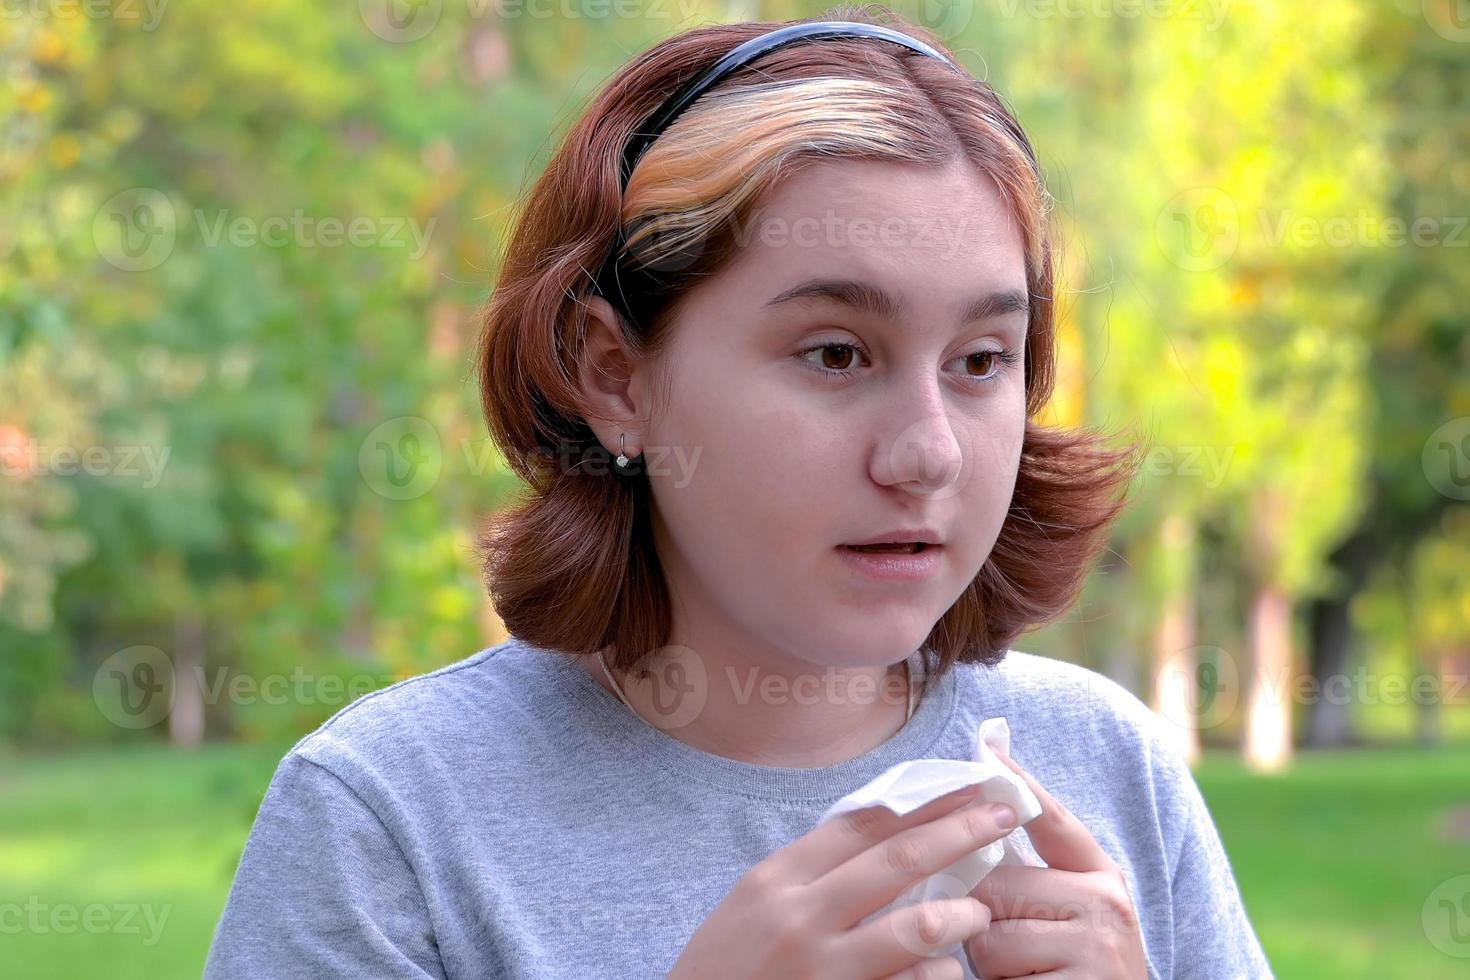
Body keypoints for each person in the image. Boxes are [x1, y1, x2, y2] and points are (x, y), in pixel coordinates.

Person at [203, 7, 1274, 978]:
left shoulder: (1104, 765)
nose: (928, 452)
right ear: (615, 377)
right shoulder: (389, 818)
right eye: (837, 353)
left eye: (981, 359)